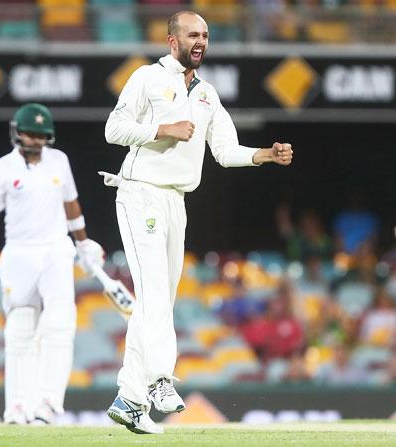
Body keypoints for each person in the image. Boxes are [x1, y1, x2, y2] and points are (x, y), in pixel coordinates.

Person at [102, 11, 294, 434]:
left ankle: (129, 399)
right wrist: (162, 128)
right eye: (193, 34)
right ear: (172, 41)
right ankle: (158, 381)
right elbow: (114, 129)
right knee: (152, 293)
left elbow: (225, 150)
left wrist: (265, 153)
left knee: (159, 302)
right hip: (141, 193)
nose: (201, 41)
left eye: (205, 34)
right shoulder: (146, 78)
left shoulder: (207, 94)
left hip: (176, 201)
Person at [0, 103, 104, 425]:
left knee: (60, 326)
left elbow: (71, 203)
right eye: (31, 135)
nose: (37, 142)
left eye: (42, 136)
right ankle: (17, 406)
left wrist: (83, 242)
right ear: (17, 132)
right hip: (18, 253)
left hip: (56, 250)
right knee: (19, 331)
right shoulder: (1, 169)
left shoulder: (59, 161)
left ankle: (48, 403)